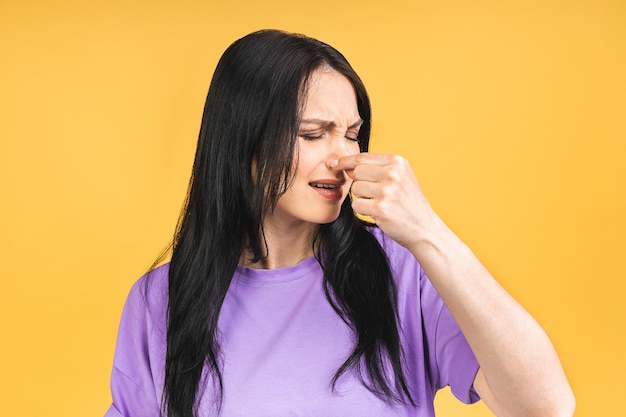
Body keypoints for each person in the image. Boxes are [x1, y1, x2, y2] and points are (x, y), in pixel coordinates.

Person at [104, 29, 575, 417]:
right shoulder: (161, 300)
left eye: (352, 134)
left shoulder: (403, 273)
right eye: (313, 134)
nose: (344, 156)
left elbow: (547, 407)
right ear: (242, 144)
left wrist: (428, 232)